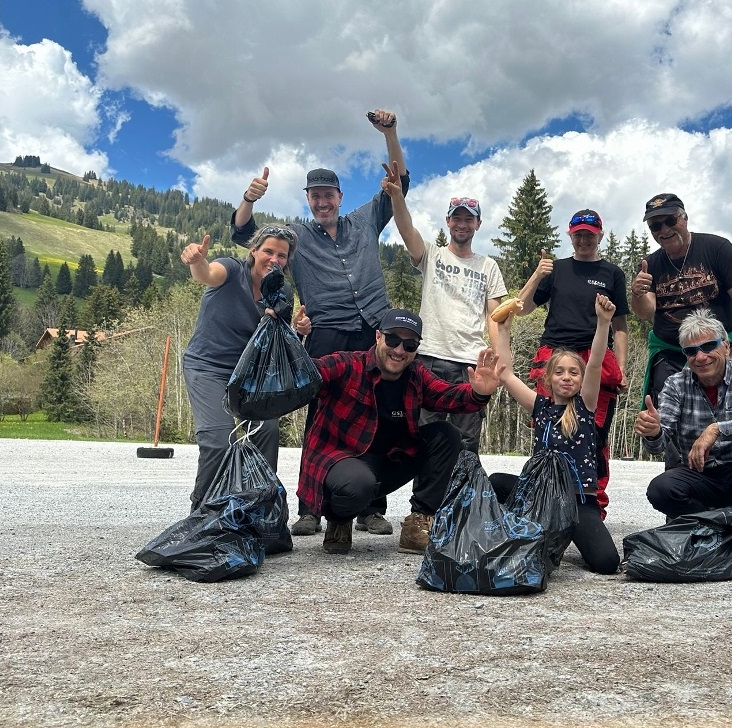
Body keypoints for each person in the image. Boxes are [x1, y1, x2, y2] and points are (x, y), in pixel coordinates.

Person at [230, 108, 406, 537]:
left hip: (374, 332)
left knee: (379, 415)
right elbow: (243, 234)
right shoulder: (296, 236)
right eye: (315, 195)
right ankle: (310, 507)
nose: (323, 201)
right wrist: (250, 198)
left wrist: (391, 133)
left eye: (329, 194)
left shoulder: (365, 220)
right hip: (325, 334)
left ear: (341, 197)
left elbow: (398, 181)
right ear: (308, 199)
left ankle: (370, 507)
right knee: (321, 417)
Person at [299, 308, 502, 555]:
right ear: (378, 337)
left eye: (409, 344)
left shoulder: (416, 375)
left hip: (385, 465)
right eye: (393, 339)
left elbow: (448, 395)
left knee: (446, 435)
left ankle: (418, 523)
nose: (399, 350)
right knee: (358, 484)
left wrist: (480, 392)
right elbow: (303, 372)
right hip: (341, 465)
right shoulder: (346, 364)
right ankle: (339, 519)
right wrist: (293, 336)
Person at [633, 308, 732, 576]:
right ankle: (718, 533)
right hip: (701, 477)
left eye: (708, 346)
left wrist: (719, 429)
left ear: (726, 346)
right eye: (691, 351)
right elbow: (659, 444)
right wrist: (652, 432)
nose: (700, 356)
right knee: (660, 489)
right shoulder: (674, 384)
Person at [180, 224, 311, 511]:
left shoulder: (282, 291)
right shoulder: (232, 270)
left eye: (282, 255)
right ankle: (203, 514)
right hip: (207, 367)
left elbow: (279, 340)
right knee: (218, 441)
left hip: (250, 378)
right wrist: (197, 260)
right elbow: (208, 275)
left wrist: (299, 330)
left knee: (267, 430)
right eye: (268, 251)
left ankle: (259, 512)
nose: (274, 259)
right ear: (253, 250)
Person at [490, 294, 622, 574]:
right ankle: (513, 527)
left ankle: (565, 534)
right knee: (496, 482)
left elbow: (596, 362)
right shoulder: (540, 406)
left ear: (581, 379)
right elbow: (505, 374)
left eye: (574, 372)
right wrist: (503, 330)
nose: (566, 377)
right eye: (559, 372)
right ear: (547, 379)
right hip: (542, 497)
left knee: (607, 563)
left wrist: (603, 323)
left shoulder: (586, 406)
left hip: (577, 501)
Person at [514, 208, 628, 510]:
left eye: (589, 234)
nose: (583, 239)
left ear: (599, 235)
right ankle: (543, 498)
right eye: (578, 234)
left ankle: (593, 504)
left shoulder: (612, 273)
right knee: (547, 426)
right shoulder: (558, 270)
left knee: (596, 433)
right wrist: (538, 273)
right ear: (570, 235)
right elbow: (521, 309)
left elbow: (620, 326)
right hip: (554, 356)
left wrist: (623, 367)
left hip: (596, 358)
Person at [387, 174, 507, 452]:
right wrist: (397, 198)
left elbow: (496, 318)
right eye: (457, 218)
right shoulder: (431, 254)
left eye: (469, 219)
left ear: (478, 224)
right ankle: (426, 497)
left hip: (471, 362)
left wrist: (499, 366)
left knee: (467, 442)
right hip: (430, 358)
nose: (462, 224)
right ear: (448, 221)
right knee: (426, 436)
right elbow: (407, 230)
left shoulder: (488, 266)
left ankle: (465, 495)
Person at [630, 193, 732, 409]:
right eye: (656, 226)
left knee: (727, 410)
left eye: (670, 221)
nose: (664, 230)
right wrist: (637, 294)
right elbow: (646, 312)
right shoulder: (649, 264)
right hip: (669, 352)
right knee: (665, 415)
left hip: (716, 349)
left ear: (684, 218)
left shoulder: (718, 249)